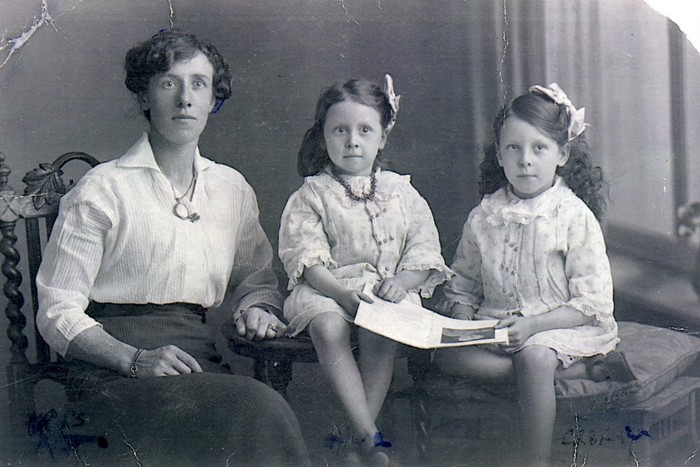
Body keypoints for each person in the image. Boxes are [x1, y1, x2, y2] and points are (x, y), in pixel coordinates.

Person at [35, 30, 310, 466]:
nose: (184, 98)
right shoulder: (102, 190)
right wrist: (134, 359)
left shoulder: (230, 189)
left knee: (246, 408)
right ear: (144, 98)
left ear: (212, 100)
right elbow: (55, 311)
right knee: (257, 406)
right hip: (112, 373)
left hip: (195, 362)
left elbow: (256, 281)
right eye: (168, 83)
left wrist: (258, 308)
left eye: (198, 84)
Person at [434, 84, 629, 466]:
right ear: (499, 155)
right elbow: (464, 284)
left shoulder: (572, 216)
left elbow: (591, 303)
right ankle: (540, 378)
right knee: (444, 358)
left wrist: (534, 326)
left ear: (562, 154)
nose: (525, 160)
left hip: (560, 325)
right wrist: (463, 321)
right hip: (498, 328)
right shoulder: (484, 215)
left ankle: (536, 459)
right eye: (513, 148)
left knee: (537, 357)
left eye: (538, 148)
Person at [278, 76, 451, 466]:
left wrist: (403, 281)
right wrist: (339, 294)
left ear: (382, 137)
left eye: (364, 130)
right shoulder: (312, 194)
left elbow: (424, 249)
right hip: (326, 290)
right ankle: (370, 439)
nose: (352, 140)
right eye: (340, 130)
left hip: (384, 291)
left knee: (381, 326)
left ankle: (359, 441)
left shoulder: (402, 192)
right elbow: (307, 259)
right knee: (328, 327)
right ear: (323, 137)